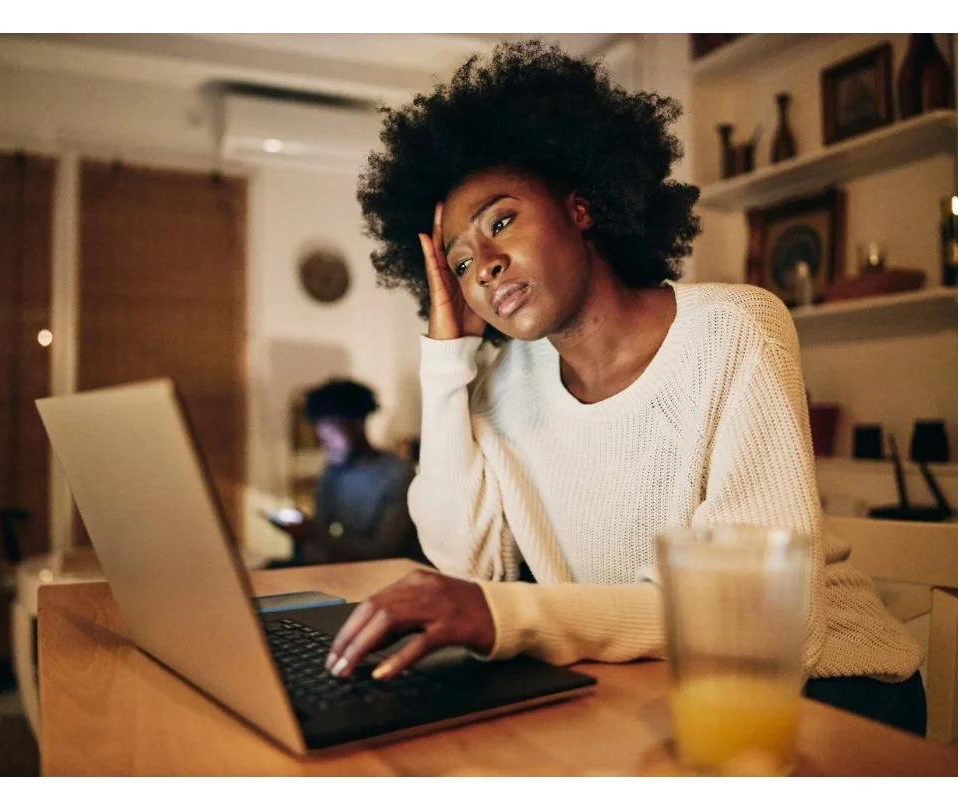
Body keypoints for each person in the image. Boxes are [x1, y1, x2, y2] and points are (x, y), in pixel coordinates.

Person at [324, 40, 927, 735]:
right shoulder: (498, 384)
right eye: (459, 265)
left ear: (580, 208)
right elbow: (466, 563)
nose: (484, 266)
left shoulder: (736, 330)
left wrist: (510, 617)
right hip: (647, 681)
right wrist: (445, 353)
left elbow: (760, 620)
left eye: (501, 222)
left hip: (827, 691)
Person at [270, 378, 423, 567]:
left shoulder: (398, 475)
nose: (326, 446)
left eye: (331, 435)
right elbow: (321, 531)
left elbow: (385, 550)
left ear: (358, 425)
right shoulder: (332, 472)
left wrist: (312, 533)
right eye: (321, 438)